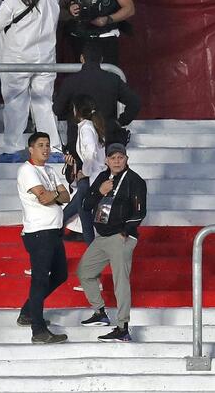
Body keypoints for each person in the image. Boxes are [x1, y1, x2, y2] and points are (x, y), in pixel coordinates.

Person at [0, 0, 63, 163]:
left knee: (15, 105)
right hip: (45, 60)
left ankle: (12, 149)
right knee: (44, 104)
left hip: (17, 60)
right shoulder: (51, 1)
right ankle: (54, 149)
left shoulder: (14, 0)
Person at [76, 142, 147, 343]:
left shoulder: (135, 181)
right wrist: (100, 191)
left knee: (120, 282)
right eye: (113, 158)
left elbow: (140, 212)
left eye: (120, 157)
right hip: (102, 237)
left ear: (126, 159)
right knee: (85, 272)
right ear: (106, 160)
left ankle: (123, 328)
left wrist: (125, 232)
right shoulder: (102, 177)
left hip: (120, 237)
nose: (116, 161)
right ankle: (100, 313)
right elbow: (86, 204)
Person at [16, 131, 71, 344]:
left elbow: (65, 196)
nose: (46, 149)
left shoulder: (49, 170)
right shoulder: (27, 170)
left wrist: (54, 195)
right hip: (39, 232)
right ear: (31, 149)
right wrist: (55, 194)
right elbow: (44, 198)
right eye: (40, 145)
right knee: (40, 279)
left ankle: (28, 312)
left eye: (47, 144)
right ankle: (38, 330)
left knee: (60, 274)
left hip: (53, 230)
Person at [53, 44, 141, 149]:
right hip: (107, 137)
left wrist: (71, 114)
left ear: (82, 58)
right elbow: (135, 102)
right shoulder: (113, 79)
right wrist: (120, 121)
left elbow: (57, 109)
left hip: (78, 140)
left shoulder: (70, 82)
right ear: (101, 59)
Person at [62, 95, 104, 245]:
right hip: (92, 177)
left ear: (77, 110)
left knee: (85, 218)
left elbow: (90, 153)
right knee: (70, 212)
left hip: (89, 179)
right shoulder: (91, 126)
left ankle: (92, 251)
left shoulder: (86, 128)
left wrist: (84, 172)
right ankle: (53, 232)